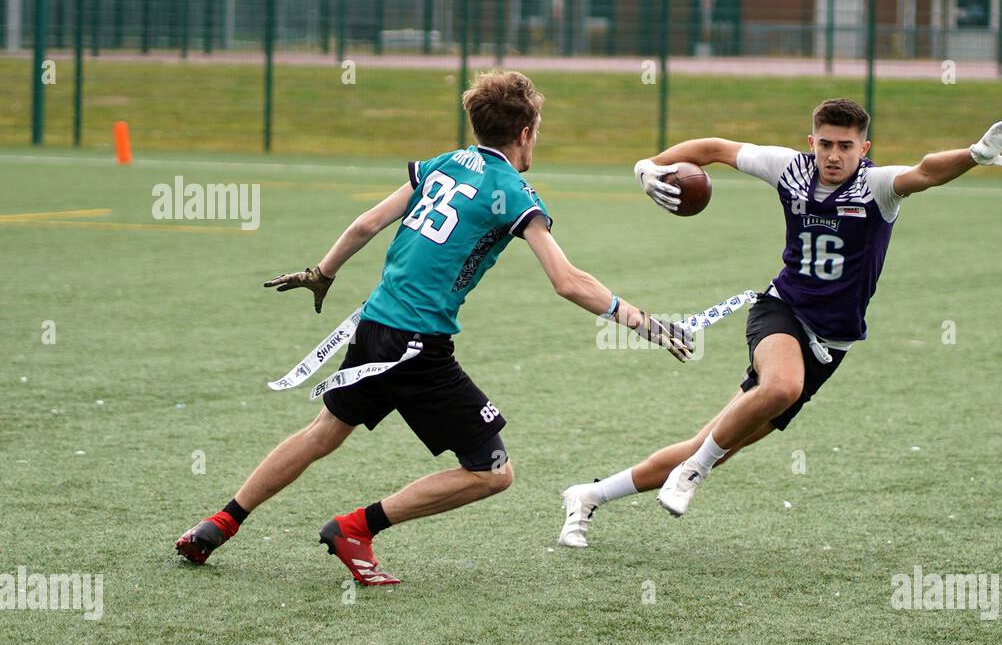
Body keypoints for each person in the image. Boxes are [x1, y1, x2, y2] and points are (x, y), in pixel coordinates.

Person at [176, 70, 691, 584]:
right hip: (417, 347)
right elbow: (568, 281)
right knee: (492, 473)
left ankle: (219, 523)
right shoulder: (513, 192)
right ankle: (355, 528)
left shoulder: (444, 163)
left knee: (323, 434)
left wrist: (322, 274)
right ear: (527, 132)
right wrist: (646, 323)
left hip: (374, 325)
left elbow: (366, 224)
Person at [557, 100, 1002, 547]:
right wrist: (649, 164)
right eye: (825, 144)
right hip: (781, 310)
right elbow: (716, 148)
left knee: (711, 442)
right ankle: (693, 473)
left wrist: (975, 154)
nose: (833, 155)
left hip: (833, 343)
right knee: (779, 389)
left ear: (864, 149)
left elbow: (925, 172)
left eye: (846, 146)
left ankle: (590, 494)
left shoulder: (878, 185)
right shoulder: (790, 168)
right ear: (812, 143)